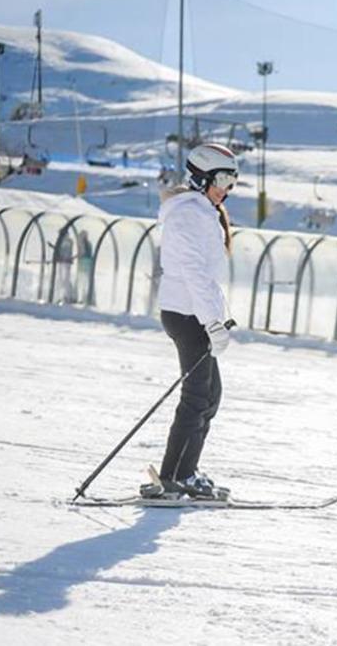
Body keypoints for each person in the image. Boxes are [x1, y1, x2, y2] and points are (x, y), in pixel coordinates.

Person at [140, 143, 239, 501]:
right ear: (202, 177)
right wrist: (212, 322)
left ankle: (186, 472)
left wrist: (217, 318)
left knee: (210, 395)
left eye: (232, 181)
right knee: (197, 396)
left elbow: (208, 279)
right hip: (186, 314)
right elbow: (195, 275)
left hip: (195, 312)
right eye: (224, 179)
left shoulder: (202, 212)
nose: (227, 188)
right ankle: (174, 477)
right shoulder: (187, 215)